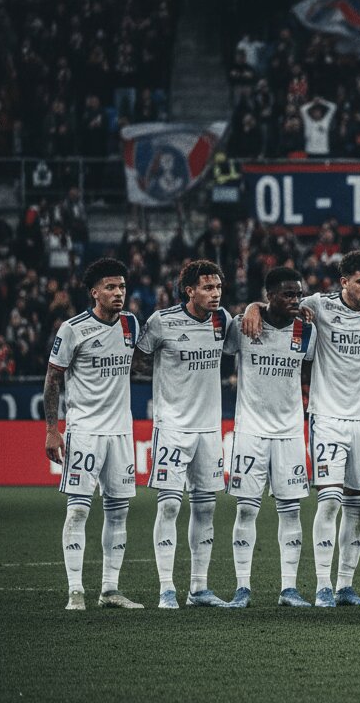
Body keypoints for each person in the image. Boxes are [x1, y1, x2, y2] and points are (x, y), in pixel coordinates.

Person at [243, 250, 360, 608]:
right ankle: (323, 585)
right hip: (327, 417)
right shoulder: (319, 305)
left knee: (358, 506)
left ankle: (345, 586)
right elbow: (277, 305)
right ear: (344, 282)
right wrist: (251, 307)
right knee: (330, 500)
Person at [133, 260, 233, 609]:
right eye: (208, 288)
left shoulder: (223, 320)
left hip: (209, 429)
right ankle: (166, 588)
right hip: (172, 427)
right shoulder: (162, 321)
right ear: (189, 290)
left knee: (206, 507)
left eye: (218, 287)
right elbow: (137, 360)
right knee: (170, 504)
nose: (215, 294)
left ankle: (199, 588)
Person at [45, 258, 143, 610]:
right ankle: (76, 591)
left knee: (118, 512)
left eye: (122, 287)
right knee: (78, 511)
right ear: (94, 293)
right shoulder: (72, 329)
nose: (118, 293)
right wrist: (52, 429)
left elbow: (140, 361)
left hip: (121, 432)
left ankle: (110, 590)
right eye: (110, 287)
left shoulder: (131, 324)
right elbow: (53, 378)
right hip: (85, 430)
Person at [223, 267, 316, 608]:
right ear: (270, 296)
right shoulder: (244, 325)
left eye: (298, 294)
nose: (295, 300)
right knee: (247, 510)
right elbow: (225, 346)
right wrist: (252, 308)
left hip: (290, 433)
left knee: (290, 512)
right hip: (250, 432)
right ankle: (242, 588)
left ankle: (289, 588)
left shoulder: (306, 331)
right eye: (288, 294)